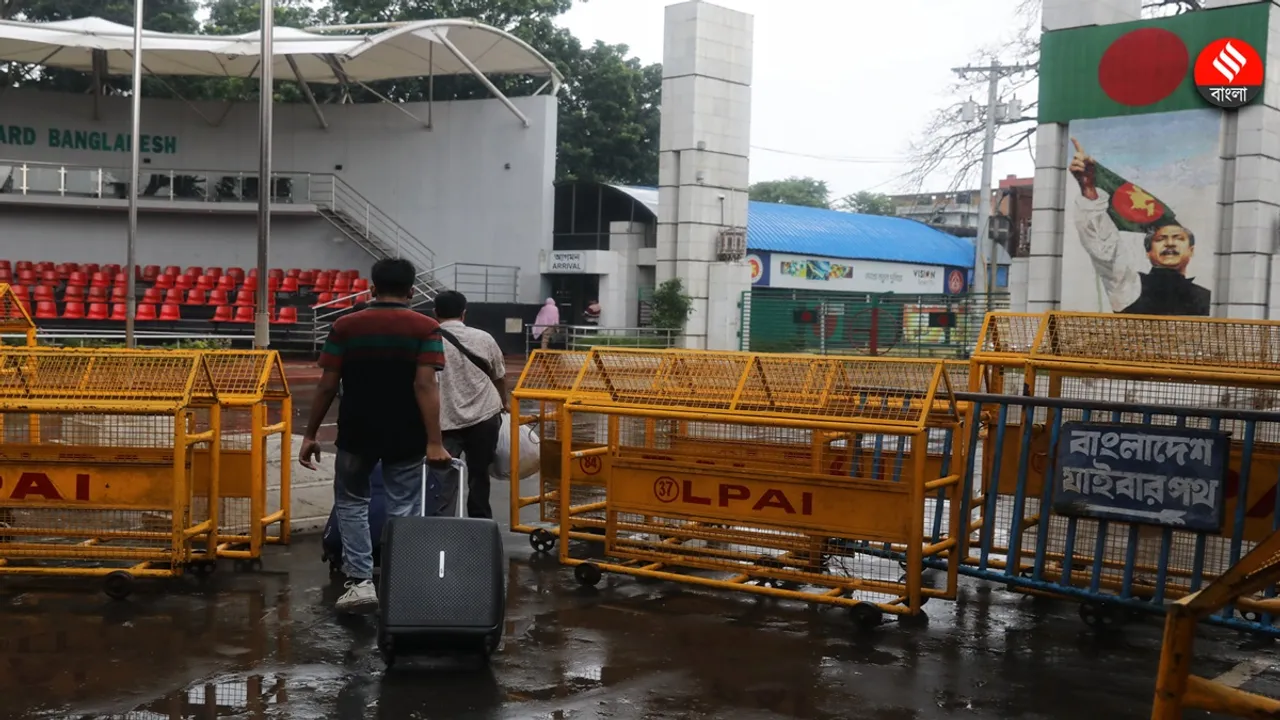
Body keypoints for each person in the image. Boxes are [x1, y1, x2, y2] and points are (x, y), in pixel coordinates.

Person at [298, 257, 452, 615]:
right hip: (408, 434)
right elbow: (425, 384)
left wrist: (310, 433)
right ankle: (402, 579)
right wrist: (434, 441)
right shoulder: (426, 328)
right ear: (412, 291)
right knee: (404, 506)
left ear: (372, 288)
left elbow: (327, 384)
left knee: (352, 502)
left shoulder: (345, 326)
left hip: (356, 431)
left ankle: (360, 583)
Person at [1068, 137, 1210, 316]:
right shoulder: (1129, 287)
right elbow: (1105, 251)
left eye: (1178, 238)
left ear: (1191, 250)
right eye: (1161, 239)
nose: (1170, 244)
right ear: (1148, 252)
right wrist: (1088, 189)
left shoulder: (1207, 298)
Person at [433, 290, 508, 519]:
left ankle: (441, 525)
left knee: (443, 476)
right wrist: (503, 403)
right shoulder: (484, 338)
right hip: (484, 417)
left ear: (435, 312)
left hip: (445, 420)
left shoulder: (429, 339)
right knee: (479, 475)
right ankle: (480, 524)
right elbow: (500, 376)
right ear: (463, 313)